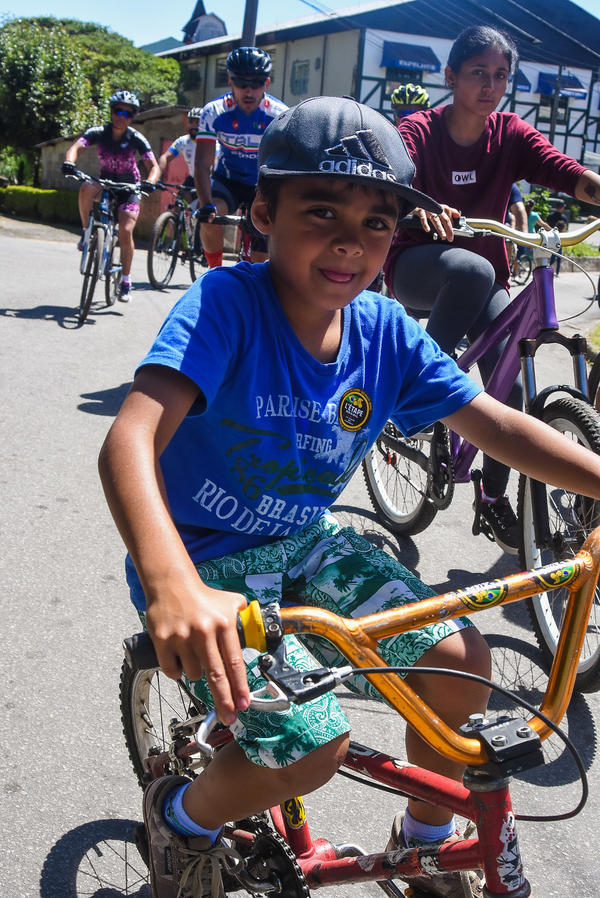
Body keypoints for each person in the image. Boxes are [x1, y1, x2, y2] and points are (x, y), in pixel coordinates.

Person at [98, 95, 600, 898]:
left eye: (376, 223)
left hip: (305, 543)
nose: (349, 242)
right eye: (321, 210)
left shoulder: (387, 331)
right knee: (309, 747)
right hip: (204, 563)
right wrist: (171, 584)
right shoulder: (227, 305)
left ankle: (428, 847)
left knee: (465, 665)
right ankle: (184, 821)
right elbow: (129, 440)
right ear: (263, 212)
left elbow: (501, 427)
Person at [384, 24, 600, 555]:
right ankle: (422, 385)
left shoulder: (510, 134)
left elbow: (567, 173)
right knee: (474, 269)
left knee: (515, 391)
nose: (490, 85)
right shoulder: (418, 128)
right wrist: (419, 207)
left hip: (483, 279)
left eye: (501, 76)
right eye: (478, 73)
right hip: (418, 266)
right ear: (451, 75)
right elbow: (390, 175)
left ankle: (492, 496)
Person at [193, 46, 287, 267]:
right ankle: (214, 272)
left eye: (256, 84)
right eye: (241, 83)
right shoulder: (213, 112)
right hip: (228, 180)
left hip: (262, 184)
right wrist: (206, 204)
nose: (249, 91)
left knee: (259, 260)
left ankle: (255, 282)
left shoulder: (280, 115)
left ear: (267, 83)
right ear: (229, 82)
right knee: (210, 216)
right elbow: (202, 163)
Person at [61, 90, 160, 302]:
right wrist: (70, 162)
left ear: (132, 117)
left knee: (125, 231)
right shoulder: (98, 132)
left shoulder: (136, 138)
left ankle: (125, 279)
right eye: (117, 111)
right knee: (87, 187)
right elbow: (76, 148)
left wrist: (150, 181)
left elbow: (154, 166)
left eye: (128, 114)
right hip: (105, 182)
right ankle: (87, 231)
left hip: (129, 188)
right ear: (111, 111)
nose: (121, 117)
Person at [158, 107, 203, 195]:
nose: (194, 126)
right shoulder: (183, 141)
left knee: (205, 206)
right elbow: (165, 157)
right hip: (192, 179)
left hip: (210, 180)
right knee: (179, 204)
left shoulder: (213, 142)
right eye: (191, 122)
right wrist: (157, 176)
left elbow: (214, 162)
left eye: (198, 122)